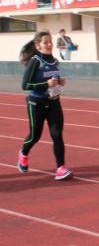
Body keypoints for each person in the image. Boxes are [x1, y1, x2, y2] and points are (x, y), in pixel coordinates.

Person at [17, 31, 73, 180]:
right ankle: (23, 153)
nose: (49, 45)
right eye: (45, 42)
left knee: (57, 135)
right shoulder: (35, 61)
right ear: (38, 45)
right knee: (35, 136)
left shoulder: (55, 61)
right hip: (36, 103)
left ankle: (60, 168)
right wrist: (45, 84)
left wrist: (60, 82)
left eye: (50, 42)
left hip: (54, 102)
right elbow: (25, 85)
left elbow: (53, 78)